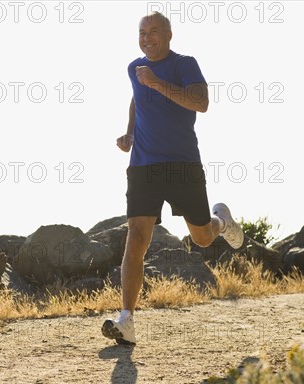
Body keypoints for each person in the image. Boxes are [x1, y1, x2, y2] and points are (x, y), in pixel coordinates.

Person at [101, 12, 244, 345]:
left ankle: (221, 222)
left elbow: (202, 103)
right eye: (142, 32)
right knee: (136, 236)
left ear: (168, 35)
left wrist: (157, 83)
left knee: (202, 238)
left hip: (182, 166)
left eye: (153, 31)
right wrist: (129, 133)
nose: (147, 37)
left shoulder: (184, 64)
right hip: (143, 166)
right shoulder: (135, 69)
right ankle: (127, 320)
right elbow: (138, 98)